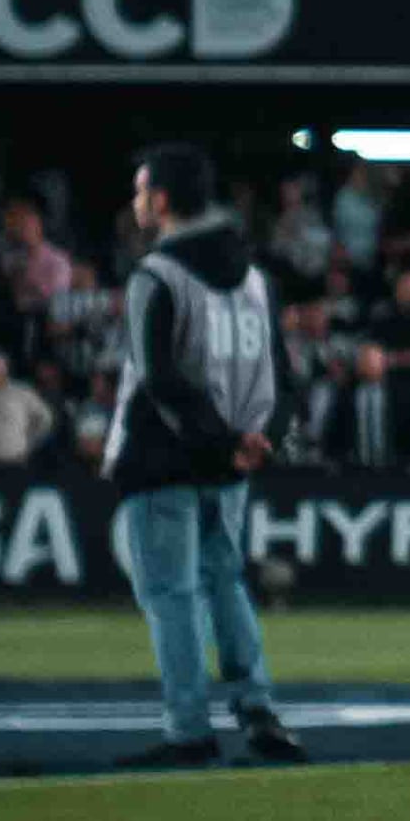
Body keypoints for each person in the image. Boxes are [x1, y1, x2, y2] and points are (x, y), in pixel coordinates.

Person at [104, 143, 297, 770]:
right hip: (232, 463)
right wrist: (259, 437)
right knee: (225, 581)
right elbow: (283, 375)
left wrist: (217, 438)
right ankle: (257, 707)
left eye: (141, 190)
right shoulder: (256, 277)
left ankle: (189, 730)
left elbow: (159, 380)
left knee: (171, 594)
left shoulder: (155, 276)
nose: (136, 202)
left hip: (166, 459)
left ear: (161, 199)